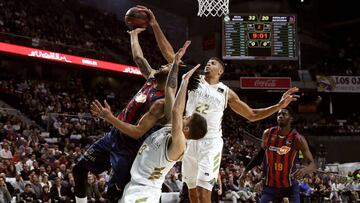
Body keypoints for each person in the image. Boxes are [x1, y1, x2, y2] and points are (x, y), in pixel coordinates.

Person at [136, 5, 300, 202]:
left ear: (221, 71)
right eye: (208, 62)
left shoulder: (226, 92)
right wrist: (154, 24)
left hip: (211, 143)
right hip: (188, 139)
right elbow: (171, 56)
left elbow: (252, 115)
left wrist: (278, 106)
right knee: (192, 192)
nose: (208, 64)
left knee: (205, 192)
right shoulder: (195, 79)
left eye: (213, 63)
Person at [72, 26, 170, 202]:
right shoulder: (152, 80)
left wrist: (109, 117)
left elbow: (138, 131)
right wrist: (133, 36)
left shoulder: (161, 103)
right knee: (78, 169)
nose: (163, 64)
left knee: (115, 195)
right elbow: (139, 59)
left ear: (173, 77)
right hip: (113, 137)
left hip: (129, 148)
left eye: (168, 65)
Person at [120, 48, 207, 203]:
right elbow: (170, 88)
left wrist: (185, 82)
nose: (184, 116)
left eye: (187, 118)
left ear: (186, 129)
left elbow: (175, 112)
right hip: (134, 186)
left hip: (144, 193)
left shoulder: (180, 144)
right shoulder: (170, 127)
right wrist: (175, 63)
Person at [240, 108, 316, 203]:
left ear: (291, 118)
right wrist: (245, 171)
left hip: (290, 187)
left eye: (284, 114)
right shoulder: (267, 133)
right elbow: (260, 156)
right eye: (279, 114)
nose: (280, 116)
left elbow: (312, 165)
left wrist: (304, 170)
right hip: (271, 187)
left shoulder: (298, 139)